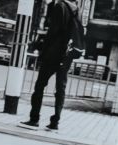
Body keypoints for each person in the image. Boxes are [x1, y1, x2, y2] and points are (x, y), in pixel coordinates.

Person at [21, 0, 84, 131]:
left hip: (53, 54)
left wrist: (43, 51)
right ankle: (55, 122)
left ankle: (34, 119)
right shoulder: (76, 9)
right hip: (66, 55)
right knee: (60, 89)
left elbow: (53, 32)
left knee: (40, 86)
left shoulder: (59, 6)